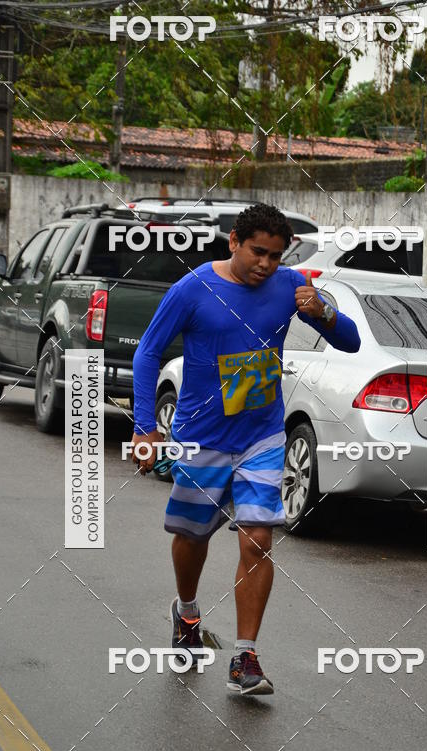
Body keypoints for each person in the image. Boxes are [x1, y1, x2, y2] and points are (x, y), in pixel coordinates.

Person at [130, 203, 360, 696]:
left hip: (263, 436)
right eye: (258, 252)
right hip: (202, 437)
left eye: (276, 256)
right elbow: (148, 352)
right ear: (234, 242)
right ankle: (186, 613)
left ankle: (245, 657)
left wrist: (323, 311)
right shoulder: (192, 289)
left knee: (257, 539)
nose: (267, 264)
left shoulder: (290, 285)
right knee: (192, 536)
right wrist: (145, 428)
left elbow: (351, 341)